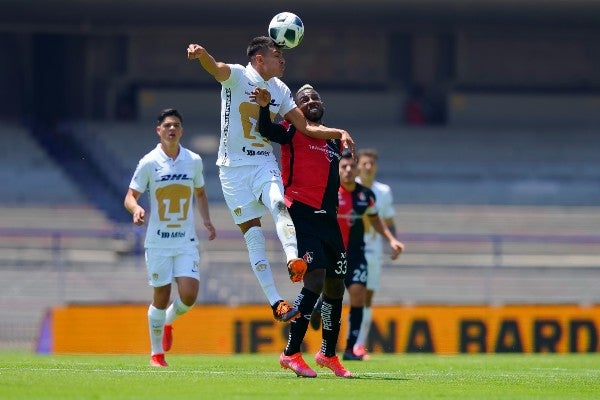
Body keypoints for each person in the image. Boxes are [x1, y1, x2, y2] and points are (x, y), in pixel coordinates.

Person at [186, 37, 355, 322]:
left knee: (278, 203)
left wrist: (339, 133)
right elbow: (215, 68)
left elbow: (305, 128)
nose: (283, 60)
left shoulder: (281, 89)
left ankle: (293, 260)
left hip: (263, 162)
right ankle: (276, 302)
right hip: (232, 169)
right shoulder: (238, 76)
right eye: (277, 55)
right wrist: (202, 53)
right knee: (253, 238)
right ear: (259, 60)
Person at [253, 84, 352, 378]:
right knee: (316, 279)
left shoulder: (332, 142)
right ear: (295, 107)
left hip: (328, 220)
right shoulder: (291, 128)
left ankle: (327, 354)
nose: (310, 101)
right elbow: (267, 131)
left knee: (335, 286)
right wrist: (262, 106)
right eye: (303, 99)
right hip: (300, 214)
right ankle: (291, 352)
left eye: (314, 97)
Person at [124, 108, 217, 367]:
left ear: (181, 130)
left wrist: (207, 220)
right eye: (167, 125)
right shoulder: (148, 162)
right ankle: (156, 354)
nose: (171, 129)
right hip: (158, 242)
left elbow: (200, 193)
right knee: (161, 297)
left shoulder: (193, 160)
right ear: (159, 130)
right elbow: (130, 196)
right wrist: (137, 208)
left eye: (176, 125)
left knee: (188, 296)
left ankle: (168, 320)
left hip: (185, 241)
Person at [321, 150, 404, 361]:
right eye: (344, 167)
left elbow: (378, 219)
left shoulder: (367, 195)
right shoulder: (329, 192)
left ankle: (352, 348)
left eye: (352, 167)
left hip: (359, 253)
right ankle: (319, 312)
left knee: (359, 294)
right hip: (333, 253)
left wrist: (391, 239)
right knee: (332, 297)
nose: (349, 170)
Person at [353, 148, 398, 359]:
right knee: (334, 294)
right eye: (364, 163)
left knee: (367, 298)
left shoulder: (383, 191)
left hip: (372, 249)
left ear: (376, 166)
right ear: (358, 165)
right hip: (348, 249)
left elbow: (388, 221)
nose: (368, 167)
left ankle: (358, 345)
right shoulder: (348, 187)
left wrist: (393, 242)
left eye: (372, 163)